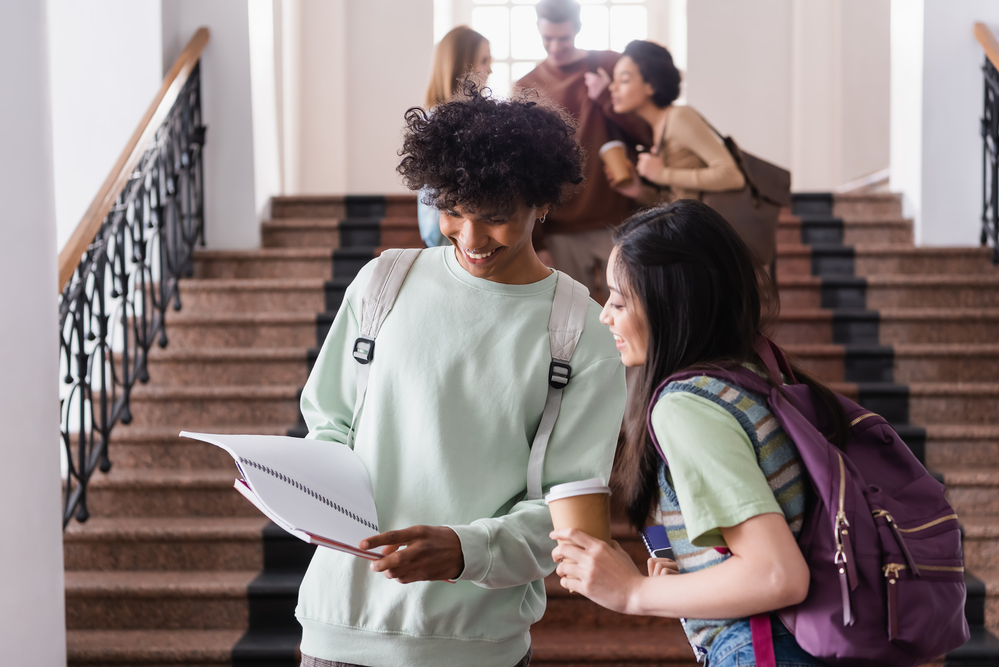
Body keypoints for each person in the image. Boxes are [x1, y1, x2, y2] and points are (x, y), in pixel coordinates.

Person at [295, 83, 627, 667]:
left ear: (541, 204)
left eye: (497, 219)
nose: (471, 239)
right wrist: (306, 488)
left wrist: (466, 549)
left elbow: (570, 512)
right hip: (337, 627)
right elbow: (328, 424)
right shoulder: (382, 283)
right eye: (452, 211)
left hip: (476, 647)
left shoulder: (579, 333)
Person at [549, 200, 843, 666]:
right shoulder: (749, 375)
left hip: (761, 646)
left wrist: (633, 592)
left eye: (620, 300)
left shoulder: (687, 407)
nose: (605, 315)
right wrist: (689, 576)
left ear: (671, 306)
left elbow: (777, 575)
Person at [516, 0, 651, 300]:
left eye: (563, 38)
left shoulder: (612, 65)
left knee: (634, 309)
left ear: (577, 29)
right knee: (573, 322)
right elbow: (525, 172)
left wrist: (606, 99)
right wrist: (537, 243)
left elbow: (648, 133)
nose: (555, 46)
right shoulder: (525, 86)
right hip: (560, 226)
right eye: (547, 38)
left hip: (619, 219)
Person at [606, 41, 745, 205]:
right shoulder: (658, 127)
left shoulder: (679, 117)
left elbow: (732, 176)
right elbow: (678, 202)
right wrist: (639, 191)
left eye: (624, 80)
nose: (612, 87)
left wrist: (661, 174)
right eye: (614, 80)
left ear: (651, 85)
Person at [417, 26, 493, 247]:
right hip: (451, 236)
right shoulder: (437, 122)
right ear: (462, 65)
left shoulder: (478, 116)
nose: (490, 70)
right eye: (484, 60)